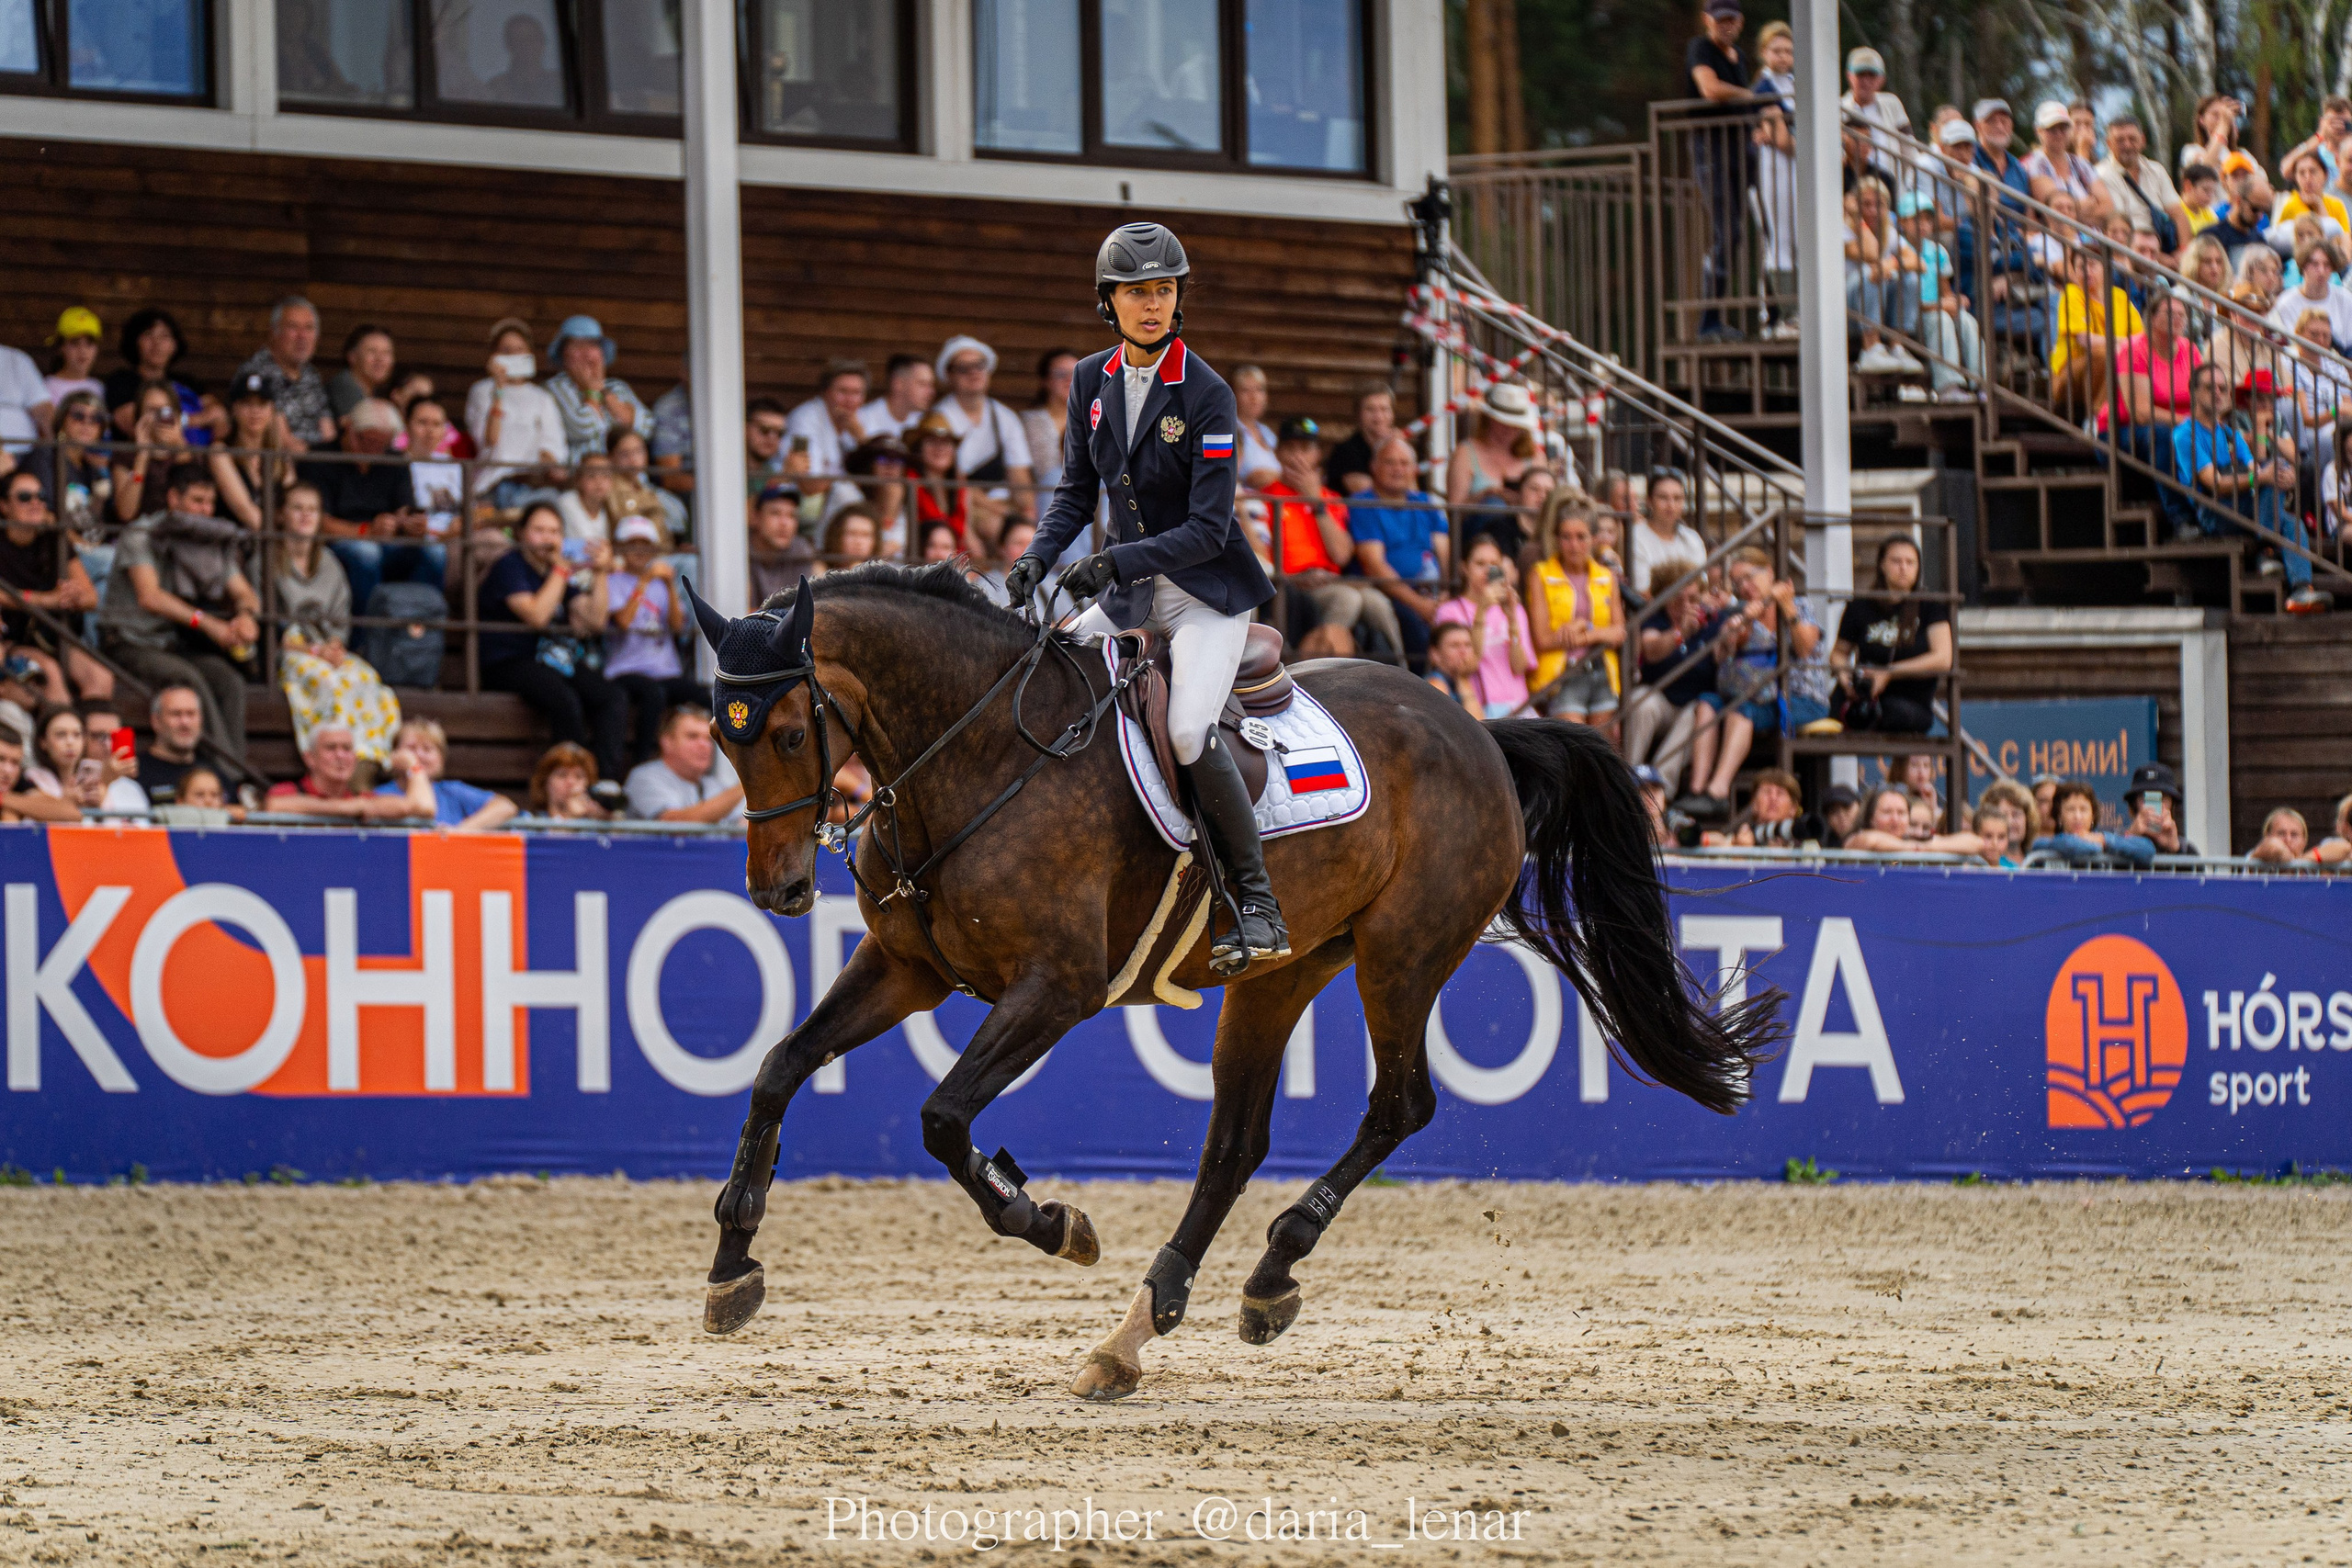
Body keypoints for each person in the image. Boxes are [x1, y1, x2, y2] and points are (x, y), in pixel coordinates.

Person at [1003, 221, 1288, 971]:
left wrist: (1115, 559)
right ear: (1110, 304)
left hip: (1207, 594)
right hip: (1131, 593)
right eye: (1137, 294)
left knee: (1190, 731)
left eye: (1164, 290)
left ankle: (1255, 902)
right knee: (1047, 673)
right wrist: (1036, 557)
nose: (1153, 305)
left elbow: (1208, 527)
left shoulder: (1208, 393)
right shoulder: (1090, 380)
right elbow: (1073, 492)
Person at [97, 465, 259, 761]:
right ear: (173, 498)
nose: (206, 510)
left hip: (173, 643)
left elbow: (244, 592)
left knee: (229, 680)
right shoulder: (141, 534)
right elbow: (150, 596)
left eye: (210, 503)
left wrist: (246, 615)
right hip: (128, 640)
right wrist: (208, 624)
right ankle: (229, 772)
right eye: (197, 501)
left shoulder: (211, 538)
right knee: (188, 679)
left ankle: (230, 770)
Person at [476, 502, 628, 779]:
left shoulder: (553, 572)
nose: (548, 539)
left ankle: (604, 783)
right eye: (539, 530)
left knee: (612, 697)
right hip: (506, 661)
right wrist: (561, 570)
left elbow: (594, 621)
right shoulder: (509, 566)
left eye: (555, 532)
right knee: (564, 699)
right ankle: (573, 780)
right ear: (521, 534)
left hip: (550, 661)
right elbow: (537, 615)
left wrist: (600, 574)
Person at [1677, 547, 1827, 817]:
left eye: (1749, 577)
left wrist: (1787, 607)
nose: (1744, 587)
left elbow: (1805, 648)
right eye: (1737, 583)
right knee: (1707, 703)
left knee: (1741, 709)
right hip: (1754, 693)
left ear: (1769, 573)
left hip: (1798, 696)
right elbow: (1719, 658)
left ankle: (1718, 791)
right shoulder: (1740, 610)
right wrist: (1734, 631)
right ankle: (1697, 789)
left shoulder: (1799, 604)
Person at [2175, 364, 2329, 610]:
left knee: (2292, 520)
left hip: (2246, 507)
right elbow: (2213, 483)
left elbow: (2256, 467)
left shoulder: (2228, 433)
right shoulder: (2185, 434)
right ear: (2193, 392)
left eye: (2222, 388)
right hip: (2215, 512)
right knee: (2272, 486)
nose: (2217, 393)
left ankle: (2301, 590)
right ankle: (2265, 548)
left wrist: (2281, 476)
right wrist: (2263, 477)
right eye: (2209, 387)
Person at [273, 481, 400, 782]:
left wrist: (332, 646)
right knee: (330, 683)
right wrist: (315, 651)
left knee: (368, 679)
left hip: (326, 649)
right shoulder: (267, 560)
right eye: (297, 509)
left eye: (313, 510)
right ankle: (331, 764)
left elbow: (340, 619)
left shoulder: (329, 562)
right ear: (281, 515)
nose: (305, 516)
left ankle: (369, 761)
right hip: (291, 652)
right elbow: (270, 628)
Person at [1261, 417, 1394, 658]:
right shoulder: (1266, 497)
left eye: (1305, 449)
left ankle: (1404, 674)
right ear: (1278, 453)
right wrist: (1294, 577)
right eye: (1291, 449)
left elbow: (1342, 555)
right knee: (1348, 598)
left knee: (1377, 602)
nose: (1298, 457)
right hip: (1288, 585)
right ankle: (1320, 673)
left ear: (1318, 454)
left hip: (1330, 580)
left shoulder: (1329, 498)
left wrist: (1316, 502)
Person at [301, 398, 447, 615]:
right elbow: (318, 521)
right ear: (349, 430)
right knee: (366, 553)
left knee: (435, 552)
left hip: (387, 542)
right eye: (368, 441)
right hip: (340, 543)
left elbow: (405, 509)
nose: (374, 450)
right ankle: (366, 636)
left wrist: (411, 524)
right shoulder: (320, 458)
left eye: (382, 444)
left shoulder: (395, 460)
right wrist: (366, 531)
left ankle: (418, 632)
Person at [0, 473, 110, 705]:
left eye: (41, 496)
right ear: (4, 505)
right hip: (11, 640)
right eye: (24, 497)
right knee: (50, 673)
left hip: (50, 636)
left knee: (102, 677)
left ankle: (94, 737)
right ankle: (64, 737)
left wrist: (73, 596)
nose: (35, 503)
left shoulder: (54, 539)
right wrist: (48, 600)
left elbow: (91, 597)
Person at [604, 516, 704, 764]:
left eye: (646, 544)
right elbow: (623, 622)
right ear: (620, 548)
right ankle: (643, 762)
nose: (640, 550)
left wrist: (670, 585)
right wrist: (645, 581)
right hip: (626, 669)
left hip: (664, 669)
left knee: (704, 695)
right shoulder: (612, 582)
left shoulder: (662, 585)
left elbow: (678, 626)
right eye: (632, 543)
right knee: (653, 694)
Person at [1620, 552, 1722, 796]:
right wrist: (1680, 633)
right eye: (1677, 599)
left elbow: (1723, 653)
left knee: (1697, 712)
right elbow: (1652, 650)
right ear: (1663, 598)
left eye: (1693, 598)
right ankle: (1626, 779)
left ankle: (1660, 787)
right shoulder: (1654, 619)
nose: (1686, 605)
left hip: (1693, 705)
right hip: (1662, 702)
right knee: (1642, 699)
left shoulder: (1712, 620)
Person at [1683, 0, 1756, 343]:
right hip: (1709, 150)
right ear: (1707, 21)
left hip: (1739, 151)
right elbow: (1709, 89)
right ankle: (1708, 321)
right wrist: (1752, 96)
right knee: (1726, 232)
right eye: (1719, 20)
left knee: (1739, 232)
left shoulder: (1739, 57)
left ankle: (1723, 316)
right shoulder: (1700, 48)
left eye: (1731, 20)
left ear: (1740, 22)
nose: (1725, 26)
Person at [1828, 534, 1951, 733]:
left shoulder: (1930, 607)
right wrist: (1844, 676)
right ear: (1882, 565)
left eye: (1910, 562)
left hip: (1911, 701)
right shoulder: (1860, 607)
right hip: (1863, 697)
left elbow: (1943, 658)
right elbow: (1839, 652)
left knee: (1894, 714)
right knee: (1825, 716)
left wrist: (1889, 673)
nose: (1903, 568)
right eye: (1896, 561)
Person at [1345, 434, 1448, 670]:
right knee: (1414, 626)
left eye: (1404, 464)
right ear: (1374, 467)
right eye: (1390, 462)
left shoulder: (1426, 503)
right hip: (1392, 593)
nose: (1398, 469)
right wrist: (1419, 604)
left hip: (1431, 592)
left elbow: (1445, 553)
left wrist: (1446, 592)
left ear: (1414, 469)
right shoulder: (1363, 504)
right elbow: (1374, 564)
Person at [1525, 502, 1622, 726]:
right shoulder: (1541, 574)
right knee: (1574, 745)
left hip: (1601, 669)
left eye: (1581, 537)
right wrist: (1599, 634)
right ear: (1557, 539)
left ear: (1594, 538)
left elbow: (1618, 632)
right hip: (1563, 673)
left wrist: (1582, 629)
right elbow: (1543, 639)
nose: (1574, 545)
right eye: (1566, 537)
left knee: (1602, 749)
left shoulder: (1606, 576)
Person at [933, 334, 1035, 547]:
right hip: (963, 506)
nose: (974, 373)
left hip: (1005, 507)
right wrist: (1000, 511)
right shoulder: (940, 417)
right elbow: (952, 480)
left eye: (979, 365)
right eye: (964, 368)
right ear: (949, 375)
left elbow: (1019, 474)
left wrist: (1027, 512)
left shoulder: (1005, 417)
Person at [467, 317, 569, 513]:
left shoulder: (542, 398)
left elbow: (553, 451)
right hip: (493, 485)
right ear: (493, 356)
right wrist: (499, 390)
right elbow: (489, 441)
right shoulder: (481, 391)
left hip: (532, 488)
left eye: (519, 350)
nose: (513, 356)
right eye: (506, 351)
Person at [1432, 535, 1533, 718]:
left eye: (1494, 564)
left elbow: (1519, 666)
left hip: (1519, 705)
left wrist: (1512, 622)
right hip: (1478, 709)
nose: (1488, 571)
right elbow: (1466, 664)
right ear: (1465, 567)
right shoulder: (1449, 611)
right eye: (1480, 564)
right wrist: (1482, 611)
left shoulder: (1515, 609)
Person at [1896, 191, 1980, 399]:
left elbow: (1946, 292)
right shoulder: (1897, 249)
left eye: (1927, 219)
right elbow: (1905, 300)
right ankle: (1947, 387)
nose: (1923, 224)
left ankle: (1979, 384)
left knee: (1967, 321)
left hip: (1935, 310)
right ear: (1902, 222)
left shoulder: (1938, 251)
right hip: (1910, 319)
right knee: (1941, 319)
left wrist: (1956, 300)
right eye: (1916, 219)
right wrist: (1942, 306)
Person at [265, 720, 429, 821]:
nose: (340, 756)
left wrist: (413, 765)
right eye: (331, 748)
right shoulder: (288, 791)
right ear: (310, 758)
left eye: (347, 748)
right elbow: (274, 805)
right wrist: (349, 808)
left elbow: (423, 808)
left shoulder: (361, 799)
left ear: (355, 758)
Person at [2051, 246, 2143, 423]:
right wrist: (2121, 343)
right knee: (2106, 355)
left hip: (2110, 366)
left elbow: (2140, 341)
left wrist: (2120, 346)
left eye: (2092, 265)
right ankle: (2097, 419)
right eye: (2080, 267)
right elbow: (2085, 340)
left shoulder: (2120, 297)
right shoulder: (2072, 293)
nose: (2086, 271)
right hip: (2069, 376)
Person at [374, 717, 515, 830]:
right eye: (411, 748)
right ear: (394, 755)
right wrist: (414, 768)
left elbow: (505, 807)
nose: (419, 755)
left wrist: (461, 831)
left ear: (441, 759)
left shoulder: (452, 791)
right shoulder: (379, 794)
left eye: (428, 749)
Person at [544, 315, 649, 465]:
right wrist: (591, 391)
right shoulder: (554, 388)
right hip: (582, 481)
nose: (586, 354)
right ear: (563, 354)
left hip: (625, 482)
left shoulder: (617, 387)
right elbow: (585, 427)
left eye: (592, 345)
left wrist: (602, 391)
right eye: (577, 346)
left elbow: (645, 429)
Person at [235, 297, 334, 451]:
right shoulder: (257, 372)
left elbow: (328, 431)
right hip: (281, 462)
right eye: (293, 327)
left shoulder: (311, 374)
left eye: (309, 328)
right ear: (274, 332)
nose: (302, 336)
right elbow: (283, 441)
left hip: (317, 460)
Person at [104, 308, 211, 443]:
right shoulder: (122, 381)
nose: (157, 343)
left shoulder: (188, 382)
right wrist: (195, 420)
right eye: (148, 335)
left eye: (165, 336)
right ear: (135, 342)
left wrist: (183, 421)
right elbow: (131, 422)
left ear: (175, 345)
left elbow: (219, 418)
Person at [625, 704, 744, 824]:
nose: (704, 745)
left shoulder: (714, 785)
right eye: (693, 736)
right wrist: (746, 784)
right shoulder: (644, 777)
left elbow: (742, 824)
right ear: (667, 742)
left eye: (708, 739)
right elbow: (673, 823)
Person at [207, 371, 294, 529]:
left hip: (278, 541)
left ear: (272, 410)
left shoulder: (281, 455)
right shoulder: (220, 452)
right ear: (234, 409)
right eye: (247, 403)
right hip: (236, 542)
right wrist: (282, 545)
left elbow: (293, 504)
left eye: (262, 404)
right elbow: (245, 511)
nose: (255, 411)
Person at [1444, 382, 1540, 523]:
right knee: (1494, 504)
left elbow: (1548, 503)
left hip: (1524, 534)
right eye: (1502, 421)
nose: (1509, 428)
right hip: (1479, 536)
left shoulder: (1534, 456)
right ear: (1489, 419)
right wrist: (1483, 496)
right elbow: (1454, 512)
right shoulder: (1466, 453)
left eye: (1515, 424)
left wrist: (1521, 499)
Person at [2098, 115, 2190, 259]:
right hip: (2130, 254)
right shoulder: (2102, 175)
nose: (2127, 145)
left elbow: (2179, 215)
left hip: (2165, 247)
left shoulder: (2156, 170)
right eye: (2120, 140)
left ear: (2142, 140)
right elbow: (2120, 230)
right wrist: (2158, 258)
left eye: (2132, 139)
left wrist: (2183, 252)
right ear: (2109, 144)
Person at [25, 703, 141, 816]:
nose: (70, 742)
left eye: (77, 734)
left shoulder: (97, 781)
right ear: (43, 742)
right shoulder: (31, 779)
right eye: (61, 735)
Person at [2025, 99, 2111, 226]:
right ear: (2039, 131)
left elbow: (2109, 208)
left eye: (2064, 128)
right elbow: (2059, 211)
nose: (2059, 134)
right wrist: (2090, 204)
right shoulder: (2035, 164)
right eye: (2052, 129)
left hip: (2093, 242)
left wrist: (2074, 211)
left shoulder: (2081, 164)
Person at [2030, 780, 2154, 866]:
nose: (2077, 816)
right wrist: (2098, 845)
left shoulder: (2102, 839)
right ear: (2059, 816)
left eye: (2083, 809)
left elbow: (2147, 850)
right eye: (2070, 809)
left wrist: (2104, 840)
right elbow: (2072, 846)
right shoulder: (2046, 843)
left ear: (2093, 815)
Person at [785, 359, 868, 481]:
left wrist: (862, 440)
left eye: (856, 393)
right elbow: (811, 482)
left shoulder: (861, 418)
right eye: (843, 391)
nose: (850, 400)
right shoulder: (805, 418)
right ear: (826, 393)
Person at [1840, 784, 1984, 856]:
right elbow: (1871, 840)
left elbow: (1975, 842)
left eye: (1901, 813)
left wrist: (1925, 847)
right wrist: (1914, 848)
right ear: (1870, 818)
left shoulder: (1915, 842)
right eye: (1887, 812)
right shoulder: (1857, 838)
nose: (1895, 819)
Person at [1627, 470, 1707, 597]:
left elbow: (1702, 587)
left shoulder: (1693, 538)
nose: (1671, 505)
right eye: (1663, 498)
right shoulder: (1635, 536)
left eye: (1677, 498)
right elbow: (1643, 593)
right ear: (1649, 501)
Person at [132, 682, 211, 805]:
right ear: (156, 721)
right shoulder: (134, 772)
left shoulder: (214, 772)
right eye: (176, 714)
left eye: (191, 714)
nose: (185, 722)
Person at [1838, 47, 1909, 178]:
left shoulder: (1892, 104)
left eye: (1872, 75)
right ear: (1849, 76)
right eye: (1861, 75)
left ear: (1881, 79)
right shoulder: (1838, 108)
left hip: (1888, 183)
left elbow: (1908, 148)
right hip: (1851, 184)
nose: (1866, 81)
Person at [747, 482, 819, 606]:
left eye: (791, 515)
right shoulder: (740, 548)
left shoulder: (800, 550)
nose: (784, 523)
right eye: (775, 513)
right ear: (756, 517)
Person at [1022, 349, 1080, 496]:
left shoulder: (1095, 418)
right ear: (1046, 381)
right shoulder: (1030, 422)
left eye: (1076, 374)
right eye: (1061, 374)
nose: (1069, 380)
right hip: (1044, 495)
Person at [1324, 382, 1397, 496]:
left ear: (1392, 415)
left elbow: (1413, 496)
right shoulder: (1345, 451)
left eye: (1384, 409)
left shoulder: (1399, 449)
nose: (1378, 417)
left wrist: (1399, 448)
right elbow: (1372, 496)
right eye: (1370, 410)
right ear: (1359, 414)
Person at [907, 412, 970, 543]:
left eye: (946, 442)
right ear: (919, 448)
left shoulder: (959, 484)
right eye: (932, 441)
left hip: (956, 558)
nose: (940, 448)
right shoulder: (910, 479)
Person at [0, 724, 79, 823]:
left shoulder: (21, 783)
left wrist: (3, 799)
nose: (8, 770)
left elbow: (71, 813)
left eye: (15, 762)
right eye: (1, 759)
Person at [2122, 761, 2200, 856]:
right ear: (2133, 806)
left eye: (2162, 798)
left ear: (2172, 806)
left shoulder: (2187, 850)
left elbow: (2196, 869)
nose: (2153, 807)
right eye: (2146, 798)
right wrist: (2130, 840)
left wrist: (2176, 849)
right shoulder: (2116, 843)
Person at [855, 353, 936, 443]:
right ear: (898, 383)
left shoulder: (922, 423)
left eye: (931, 385)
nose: (931, 392)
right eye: (922, 384)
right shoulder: (864, 420)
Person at [326, 324, 395, 421]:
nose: (380, 359)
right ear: (352, 356)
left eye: (386, 353)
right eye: (372, 351)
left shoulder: (373, 392)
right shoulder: (344, 385)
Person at [527, 739, 610, 819]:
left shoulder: (597, 828)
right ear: (544, 782)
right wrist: (570, 817)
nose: (571, 782)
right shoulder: (528, 822)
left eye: (579, 776)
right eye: (562, 775)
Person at [1229, 365, 1282, 491]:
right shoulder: (1230, 429)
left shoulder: (1267, 432)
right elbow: (1253, 477)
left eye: (1259, 390)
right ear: (1233, 395)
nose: (1254, 398)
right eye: (1245, 390)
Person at [43, 307, 106, 410]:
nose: (83, 350)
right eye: (75, 343)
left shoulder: (99, 388)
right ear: (61, 347)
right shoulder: (46, 388)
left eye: (89, 343)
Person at [556, 451, 619, 547]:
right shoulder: (567, 503)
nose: (599, 482)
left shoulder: (610, 509)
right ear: (578, 480)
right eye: (591, 476)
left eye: (605, 476)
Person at [1728, 767, 1804, 847]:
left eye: (1780, 793)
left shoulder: (1807, 847)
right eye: (1767, 792)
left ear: (1793, 808)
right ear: (1754, 804)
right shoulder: (1736, 841)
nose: (1773, 797)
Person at [1424, 620, 1483, 717]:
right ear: (1435, 654)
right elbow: (1476, 724)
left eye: (1468, 645)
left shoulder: (1460, 681)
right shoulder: (1435, 685)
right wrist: (1463, 679)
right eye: (1455, 646)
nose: (1463, 652)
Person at [820, 505, 881, 573]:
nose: (858, 542)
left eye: (865, 535)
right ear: (837, 536)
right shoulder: (819, 567)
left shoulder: (882, 572)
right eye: (852, 534)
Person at [2247, 805, 2312, 864]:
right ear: (2267, 837)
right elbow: (2273, 848)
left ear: (2304, 841)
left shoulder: (2311, 868)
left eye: (2294, 835)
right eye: (2281, 833)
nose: (2288, 839)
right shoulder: (2255, 858)